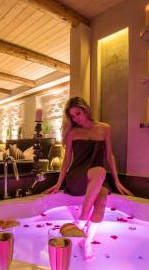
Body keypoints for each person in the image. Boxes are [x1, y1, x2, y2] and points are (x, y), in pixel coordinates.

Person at [43, 97, 133, 261]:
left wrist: (117, 181)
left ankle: (87, 242)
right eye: (72, 116)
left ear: (85, 109)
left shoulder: (104, 128)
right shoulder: (72, 133)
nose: (76, 118)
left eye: (78, 113)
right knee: (99, 171)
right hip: (78, 174)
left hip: (98, 176)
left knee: (101, 202)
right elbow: (66, 161)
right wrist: (58, 183)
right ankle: (82, 219)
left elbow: (109, 156)